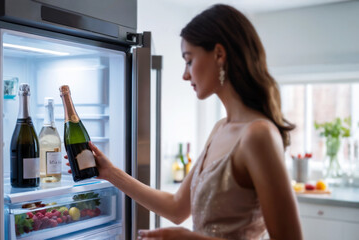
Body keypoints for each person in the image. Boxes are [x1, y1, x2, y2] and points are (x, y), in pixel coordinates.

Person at [87, 4, 303, 240]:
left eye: (189, 60)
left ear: (219, 54)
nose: (185, 74)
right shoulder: (220, 128)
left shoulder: (258, 134)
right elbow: (177, 208)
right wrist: (110, 173)